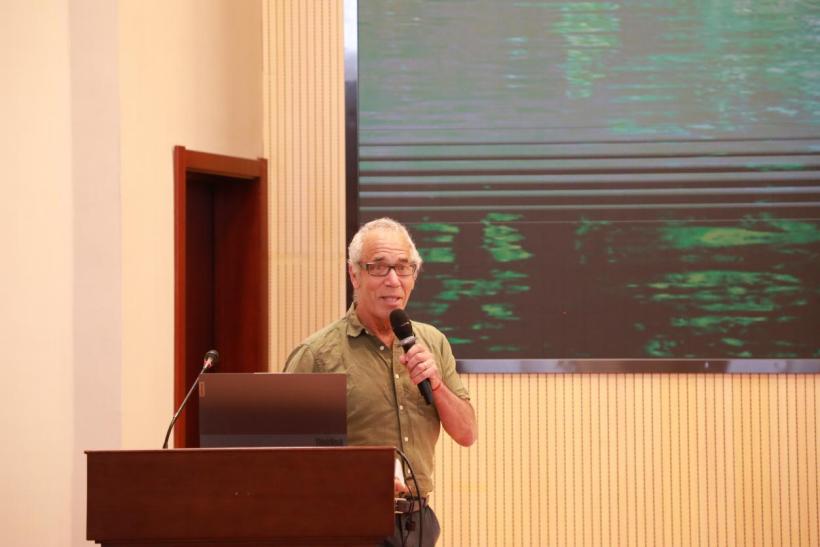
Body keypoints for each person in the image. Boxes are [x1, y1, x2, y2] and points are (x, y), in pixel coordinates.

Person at [284, 217, 477, 546]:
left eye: (403, 268)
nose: (393, 280)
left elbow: (466, 433)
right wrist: (359, 478)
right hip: (346, 524)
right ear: (354, 275)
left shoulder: (432, 342)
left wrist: (436, 383)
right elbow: (284, 461)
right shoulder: (317, 355)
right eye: (378, 267)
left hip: (418, 522)